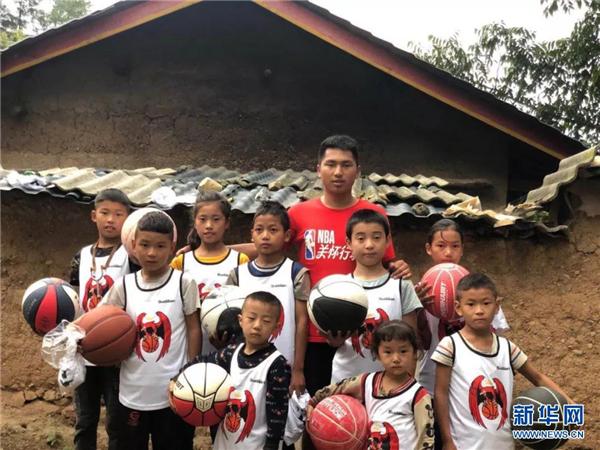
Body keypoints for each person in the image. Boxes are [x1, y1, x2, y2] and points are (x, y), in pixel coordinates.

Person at [230, 135, 412, 396]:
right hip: (312, 334)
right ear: (318, 169)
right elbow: (266, 245)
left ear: (358, 171)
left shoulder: (373, 214)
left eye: (346, 165)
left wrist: (399, 266)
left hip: (358, 333)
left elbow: (386, 263)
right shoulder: (299, 213)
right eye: (331, 164)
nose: (338, 172)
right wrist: (216, 251)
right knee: (315, 409)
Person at [433, 273, 574, 450]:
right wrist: (447, 441)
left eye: (486, 303)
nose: (479, 310)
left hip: (504, 445)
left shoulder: (507, 348)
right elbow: (441, 394)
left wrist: (572, 408)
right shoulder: (450, 346)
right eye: (471, 304)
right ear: (458, 308)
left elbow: (538, 378)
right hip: (464, 445)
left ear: (497, 306)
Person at [100, 211, 201, 450]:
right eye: (145, 245)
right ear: (134, 244)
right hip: (131, 392)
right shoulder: (124, 286)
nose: (152, 253)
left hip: (173, 393)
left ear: (172, 247)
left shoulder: (183, 283)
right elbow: (100, 323)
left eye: (160, 246)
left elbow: (193, 329)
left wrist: (189, 373)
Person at [171, 291, 291, 450]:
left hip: (257, 445)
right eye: (251, 318)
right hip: (225, 443)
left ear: (276, 327)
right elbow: (201, 361)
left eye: (266, 321)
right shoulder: (230, 353)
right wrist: (176, 379)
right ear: (240, 320)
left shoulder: (277, 364)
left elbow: (278, 411)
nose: (257, 325)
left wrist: (272, 445)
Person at [69, 188, 136, 450]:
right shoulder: (81, 256)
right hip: (83, 349)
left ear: (128, 219)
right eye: (105, 213)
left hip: (116, 351)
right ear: (93, 216)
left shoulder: (132, 256)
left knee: (116, 421)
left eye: (119, 214)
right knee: (85, 420)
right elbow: (74, 299)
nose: (111, 219)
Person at [326, 209, 422, 383]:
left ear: (388, 240)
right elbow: (333, 337)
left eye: (376, 237)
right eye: (361, 238)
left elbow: (411, 341)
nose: (369, 245)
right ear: (349, 243)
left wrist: (406, 386)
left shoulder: (401, 285)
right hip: (345, 380)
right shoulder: (339, 288)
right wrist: (334, 341)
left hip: (390, 384)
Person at [416, 219, 509, 397]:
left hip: (473, 385)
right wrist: (418, 310)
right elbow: (419, 345)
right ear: (429, 248)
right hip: (431, 384)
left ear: (462, 249)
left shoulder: (480, 293)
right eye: (441, 246)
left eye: (455, 246)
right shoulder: (420, 293)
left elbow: (493, 339)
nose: (448, 252)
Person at [307, 321, 435, 450]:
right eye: (388, 352)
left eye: (403, 351)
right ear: (377, 354)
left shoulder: (418, 395)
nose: (396, 358)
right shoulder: (367, 381)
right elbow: (336, 388)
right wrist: (313, 402)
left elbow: (426, 439)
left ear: (414, 353)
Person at [226, 200, 309, 398]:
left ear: (286, 235)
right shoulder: (237, 274)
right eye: (259, 230)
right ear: (252, 234)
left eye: (273, 230)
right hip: (243, 366)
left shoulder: (296, 273)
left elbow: (302, 321)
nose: (265, 236)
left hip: (283, 366)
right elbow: (230, 319)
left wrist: (298, 369)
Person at [171, 191, 250, 354]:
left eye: (216, 219)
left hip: (231, 351)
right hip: (188, 350)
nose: (209, 225)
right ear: (195, 222)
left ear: (227, 223)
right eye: (202, 219)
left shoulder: (240, 261)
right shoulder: (181, 262)